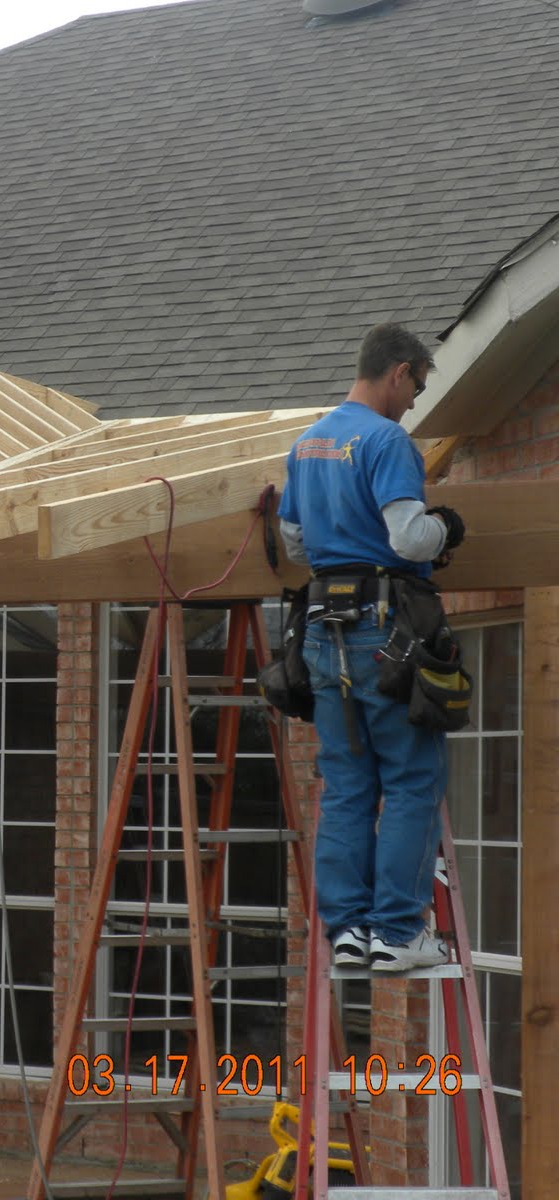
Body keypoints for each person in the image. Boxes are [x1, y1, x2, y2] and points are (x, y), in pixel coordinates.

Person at [278, 322, 466, 973]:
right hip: (383, 632)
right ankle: (396, 930)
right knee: (413, 778)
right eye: (416, 387)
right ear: (400, 371)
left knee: (348, 781)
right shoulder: (386, 441)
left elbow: (296, 546)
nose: (414, 402)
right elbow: (409, 538)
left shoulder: (307, 444)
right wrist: (446, 526)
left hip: (325, 632)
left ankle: (349, 929)